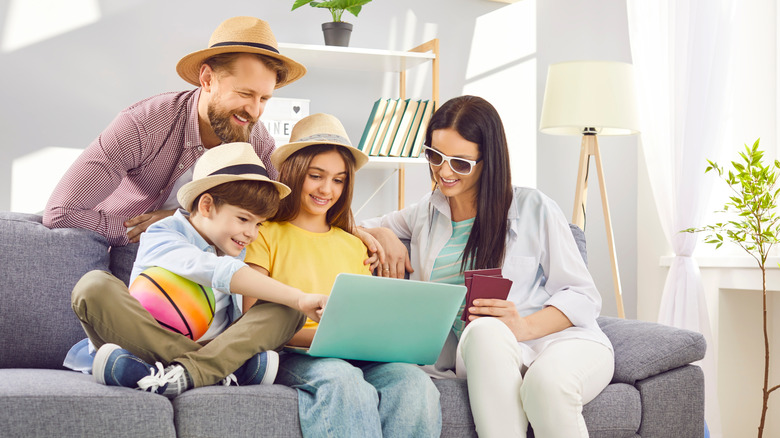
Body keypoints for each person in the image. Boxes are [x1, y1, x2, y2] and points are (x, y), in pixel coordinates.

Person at [360, 95, 614, 437]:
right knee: (483, 330)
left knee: (546, 387)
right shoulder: (426, 211)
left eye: (460, 163)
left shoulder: (534, 207)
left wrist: (523, 327)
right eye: (434, 156)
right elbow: (346, 222)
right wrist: (382, 234)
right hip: (485, 354)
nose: (444, 172)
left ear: (488, 160)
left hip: (561, 342)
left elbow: (583, 295)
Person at [69, 142, 327, 399]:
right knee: (93, 285)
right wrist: (300, 297)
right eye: (243, 219)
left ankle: (165, 374)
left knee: (287, 311)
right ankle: (218, 372)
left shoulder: (238, 245)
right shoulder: (163, 232)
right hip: (144, 340)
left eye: (259, 224)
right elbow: (219, 271)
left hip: (214, 347)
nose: (252, 233)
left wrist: (357, 230)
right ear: (206, 206)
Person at [243, 113, 441, 437]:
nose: (327, 189)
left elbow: (367, 320)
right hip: (296, 354)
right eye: (316, 176)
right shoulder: (264, 234)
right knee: (343, 381)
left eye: (338, 179)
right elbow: (252, 317)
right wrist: (329, 341)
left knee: (414, 383)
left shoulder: (356, 244)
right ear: (293, 173)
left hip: (354, 354)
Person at [43, 16, 306, 250]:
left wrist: (180, 221)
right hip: (123, 247)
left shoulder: (257, 143)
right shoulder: (143, 125)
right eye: (244, 93)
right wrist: (141, 230)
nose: (255, 111)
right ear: (207, 79)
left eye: (264, 99)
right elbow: (61, 212)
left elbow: (283, 214)